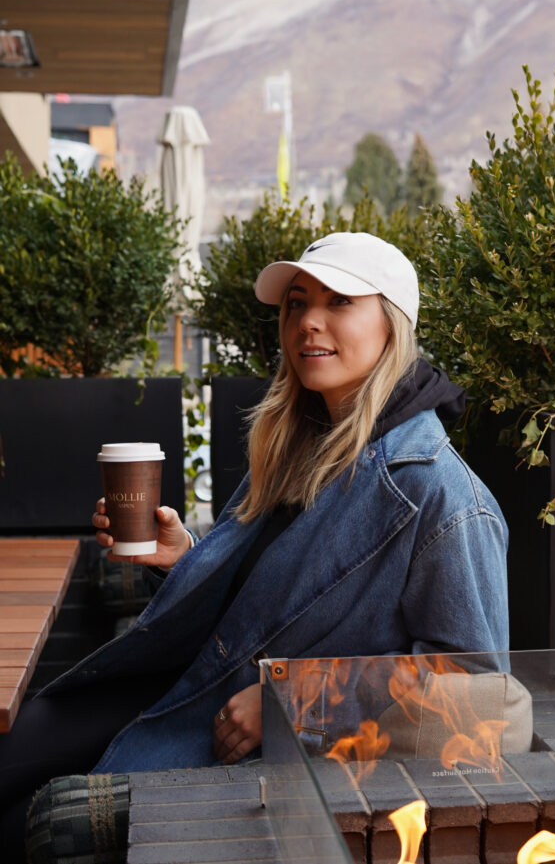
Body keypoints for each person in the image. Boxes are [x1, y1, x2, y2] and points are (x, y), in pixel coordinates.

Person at [0, 232, 509, 855]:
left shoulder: (443, 499)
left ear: (392, 325)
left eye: (339, 302)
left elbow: (476, 692)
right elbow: (269, 602)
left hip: (264, 759)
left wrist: (294, 703)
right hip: (179, 682)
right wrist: (185, 555)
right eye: (296, 303)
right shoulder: (299, 442)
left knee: (33, 824)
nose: (308, 323)